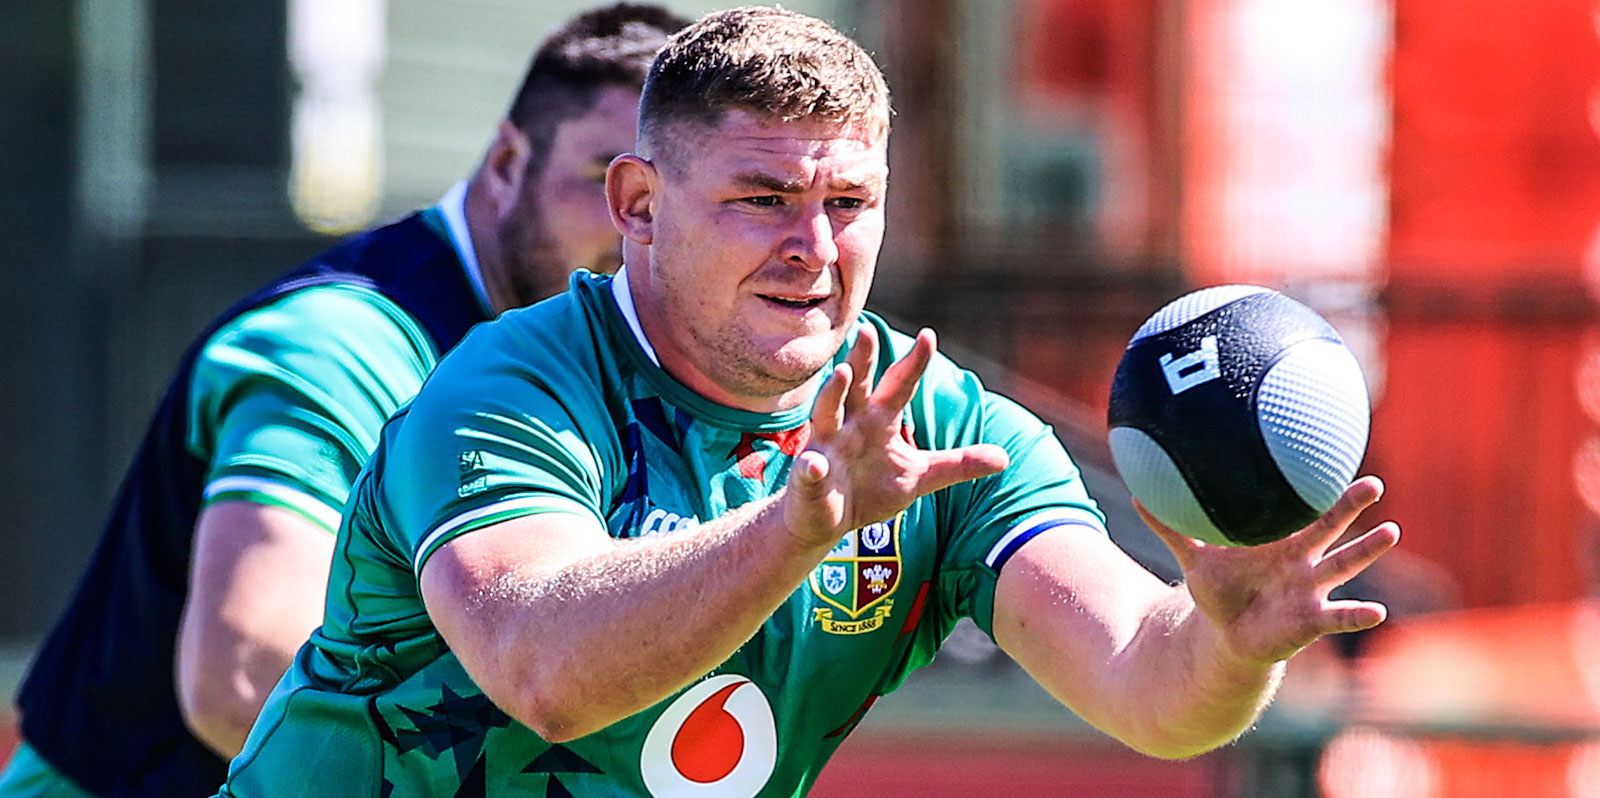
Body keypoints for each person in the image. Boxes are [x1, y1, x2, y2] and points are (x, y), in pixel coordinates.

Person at [214, 7, 1402, 797]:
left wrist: (1230, 645)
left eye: (849, 202)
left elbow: (1147, 685)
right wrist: (798, 524)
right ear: (635, 204)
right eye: (761, 197)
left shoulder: (939, 429)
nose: (813, 246)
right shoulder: (511, 385)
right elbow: (542, 669)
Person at [0, 5, 690, 797]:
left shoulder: (599, 356)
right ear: (507, 161)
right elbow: (243, 677)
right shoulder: (346, 344)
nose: (640, 227)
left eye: (673, 201)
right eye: (605, 181)